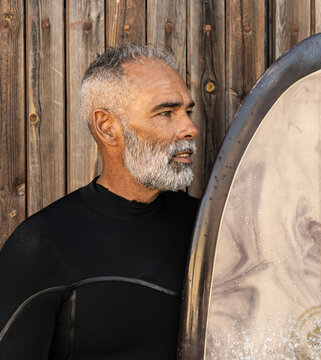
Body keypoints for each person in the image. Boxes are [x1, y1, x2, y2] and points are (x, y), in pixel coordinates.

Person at [0, 44, 199, 359]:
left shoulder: (207, 228)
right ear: (108, 127)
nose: (190, 128)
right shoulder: (41, 246)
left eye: (188, 111)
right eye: (165, 113)